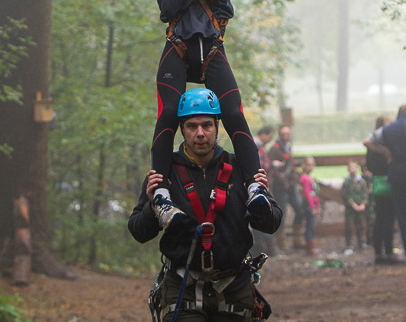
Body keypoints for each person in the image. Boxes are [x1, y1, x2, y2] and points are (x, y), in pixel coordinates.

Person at [150, 0, 269, 228]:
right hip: (177, 47)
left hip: (212, 49)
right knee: (169, 113)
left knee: (233, 112)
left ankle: (254, 185)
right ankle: (161, 193)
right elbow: (168, 8)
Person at [128, 88, 283, 322]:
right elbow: (139, 232)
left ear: (217, 127)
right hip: (183, 287)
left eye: (206, 125)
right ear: (182, 129)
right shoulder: (164, 173)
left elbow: (272, 224)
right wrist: (152, 207)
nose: (200, 133)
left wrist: (262, 203)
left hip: (234, 286)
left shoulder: (240, 168)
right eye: (192, 126)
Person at [364, 105, 406, 256]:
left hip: (380, 183)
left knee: (382, 217)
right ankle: (387, 251)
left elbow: (369, 164)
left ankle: (380, 252)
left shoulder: (375, 146)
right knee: (388, 217)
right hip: (387, 183)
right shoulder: (387, 145)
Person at [268, 124, 304, 250]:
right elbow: (269, 167)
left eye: (287, 134)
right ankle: (281, 244)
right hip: (280, 187)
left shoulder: (288, 146)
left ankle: (298, 239)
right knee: (281, 214)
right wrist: (281, 177)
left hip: (291, 185)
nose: (285, 136)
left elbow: (290, 162)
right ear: (279, 135)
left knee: (300, 209)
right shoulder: (274, 149)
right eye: (283, 134)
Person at [251, 125, 277, 257]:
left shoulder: (257, 145)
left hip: (259, 185)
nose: (270, 140)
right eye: (270, 136)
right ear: (265, 134)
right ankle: (264, 249)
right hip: (259, 186)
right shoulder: (256, 146)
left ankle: (265, 249)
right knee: (263, 213)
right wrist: (273, 165)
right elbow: (260, 165)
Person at [341, 160, 368, 254]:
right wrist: (353, 204)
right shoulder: (346, 182)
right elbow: (345, 195)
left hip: (360, 207)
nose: (353, 169)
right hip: (350, 208)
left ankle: (361, 242)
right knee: (349, 225)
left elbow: (365, 193)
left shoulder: (361, 181)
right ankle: (349, 244)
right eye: (351, 167)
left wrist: (363, 203)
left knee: (361, 225)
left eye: (354, 167)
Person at [299, 156, 321, 256]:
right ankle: (309, 247)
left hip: (312, 205)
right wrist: (312, 207)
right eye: (309, 165)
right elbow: (308, 194)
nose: (311, 167)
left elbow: (314, 194)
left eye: (312, 165)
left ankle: (311, 246)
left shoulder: (310, 178)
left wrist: (317, 205)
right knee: (309, 225)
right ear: (304, 166)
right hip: (308, 206)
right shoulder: (305, 179)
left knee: (312, 225)